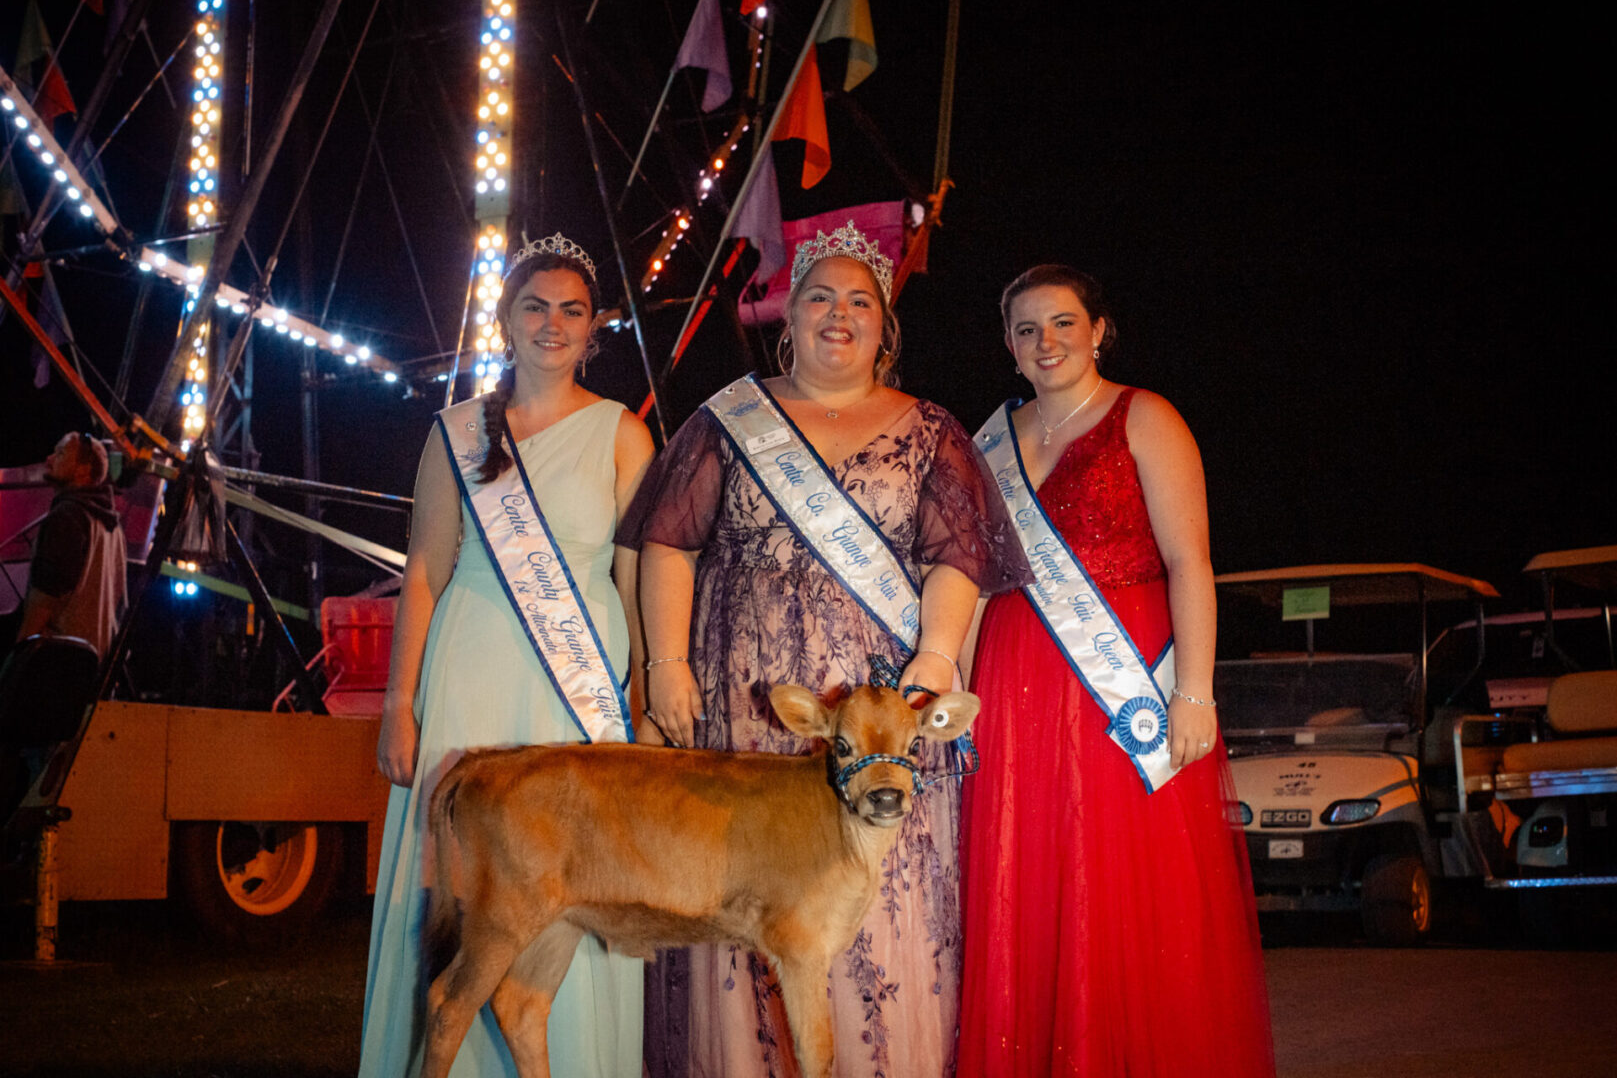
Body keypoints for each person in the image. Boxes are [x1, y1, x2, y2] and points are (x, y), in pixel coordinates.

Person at [625, 221, 1028, 1078]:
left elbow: (958, 556)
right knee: (740, 892)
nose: (838, 315)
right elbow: (668, 544)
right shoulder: (726, 418)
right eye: (819, 297)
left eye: (859, 302)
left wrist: (939, 653)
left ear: (885, 328)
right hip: (744, 696)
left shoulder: (930, 428)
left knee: (867, 903)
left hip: (875, 703)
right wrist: (664, 663)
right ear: (789, 317)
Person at [957, 265, 1274, 1076]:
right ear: (1007, 346)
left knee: (1124, 881)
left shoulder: (1145, 416)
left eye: (1063, 323)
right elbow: (964, 574)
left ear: (1097, 330)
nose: (1046, 342)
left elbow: (1188, 561)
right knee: (1025, 879)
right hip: (1010, 678)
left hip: (1122, 676)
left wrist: (1194, 692)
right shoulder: (987, 437)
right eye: (1026, 329)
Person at [359, 234, 655, 1078]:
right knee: (465, 879)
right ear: (505, 319)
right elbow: (424, 568)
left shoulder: (622, 433)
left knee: (575, 870)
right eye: (535, 306)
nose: (552, 325)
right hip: (472, 664)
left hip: (578, 681)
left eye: (571, 310)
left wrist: (638, 687)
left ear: (593, 328)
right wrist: (399, 701)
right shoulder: (455, 432)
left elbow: (636, 575)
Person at [16, 432, 126, 659]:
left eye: (61, 453)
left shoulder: (66, 517)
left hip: (52, 665)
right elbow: (119, 606)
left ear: (83, 470)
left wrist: (17, 659)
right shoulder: (114, 530)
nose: (49, 459)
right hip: (90, 669)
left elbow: (45, 599)